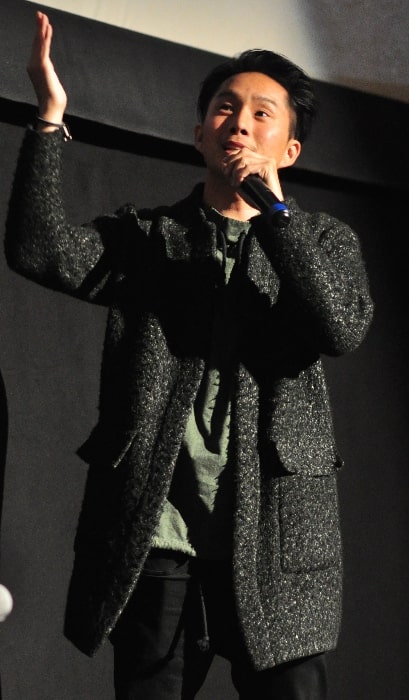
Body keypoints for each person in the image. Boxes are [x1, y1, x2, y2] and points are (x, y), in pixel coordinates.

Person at [5, 11, 373, 700]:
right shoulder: (150, 239)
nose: (238, 122)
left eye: (262, 113)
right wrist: (49, 120)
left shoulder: (324, 242)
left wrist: (271, 212)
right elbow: (36, 249)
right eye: (223, 108)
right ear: (197, 130)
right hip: (159, 535)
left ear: (289, 148)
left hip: (274, 536)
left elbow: (338, 328)